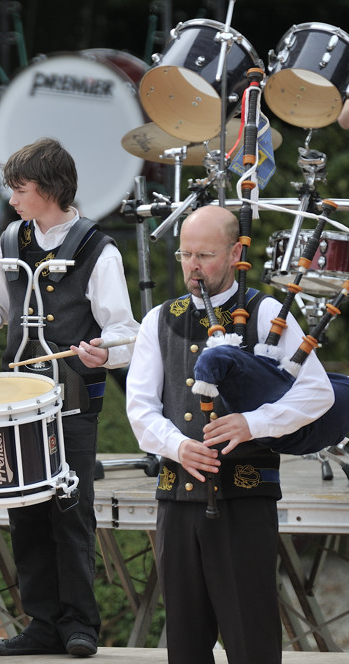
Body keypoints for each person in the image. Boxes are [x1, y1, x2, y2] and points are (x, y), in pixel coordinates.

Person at [125, 204, 334, 663]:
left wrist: (252, 422)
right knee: (185, 640)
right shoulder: (159, 319)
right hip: (178, 497)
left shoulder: (264, 313)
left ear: (238, 251)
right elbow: (140, 410)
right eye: (185, 255)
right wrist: (178, 446)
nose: (194, 266)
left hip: (245, 497)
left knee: (251, 638)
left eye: (206, 254)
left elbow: (317, 393)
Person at [0, 138, 138, 657]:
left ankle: (80, 623)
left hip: (73, 400)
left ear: (51, 190)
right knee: (25, 509)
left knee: (70, 510)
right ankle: (41, 623)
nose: (11, 199)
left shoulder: (98, 249)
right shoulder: (10, 239)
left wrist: (106, 353)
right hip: (17, 404)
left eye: (20, 189)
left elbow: (124, 331)